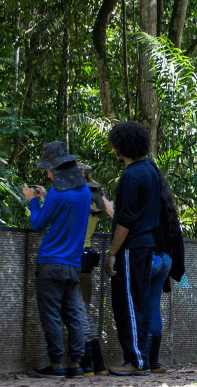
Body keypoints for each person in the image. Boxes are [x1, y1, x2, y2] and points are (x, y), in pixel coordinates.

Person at [25, 142, 92, 378]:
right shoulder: (84, 192)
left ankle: (56, 365)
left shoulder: (55, 193)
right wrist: (46, 197)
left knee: (51, 315)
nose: (47, 173)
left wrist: (34, 200)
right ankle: (76, 364)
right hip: (73, 265)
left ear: (56, 170)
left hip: (50, 263)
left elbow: (38, 223)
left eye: (49, 169)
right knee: (73, 314)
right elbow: (65, 214)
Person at [102, 121, 161, 376]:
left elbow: (125, 221)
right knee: (140, 302)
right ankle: (142, 358)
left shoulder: (130, 175)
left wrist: (112, 253)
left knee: (126, 303)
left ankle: (136, 360)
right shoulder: (151, 170)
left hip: (130, 248)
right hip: (147, 246)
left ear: (122, 145)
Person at [145, 160, 185, 374]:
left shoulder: (145, 198)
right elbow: (176, 237)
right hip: (165, 261)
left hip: (149, 258)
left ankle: (139, 359)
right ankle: (154, 361)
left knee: (137, 307)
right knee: (153, 307)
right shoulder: (167, 202)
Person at [76, 162, 113, 378]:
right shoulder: (97, 202)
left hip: (74, 259)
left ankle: (88, 364)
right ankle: (95, 364)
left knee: (78, 313)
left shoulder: (76, 198)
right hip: (87, 259)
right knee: (84, 312)